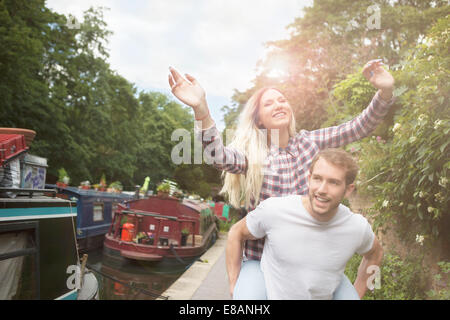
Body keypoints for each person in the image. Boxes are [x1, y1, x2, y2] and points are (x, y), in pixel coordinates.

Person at [168, 59, 394, 299]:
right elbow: (218, 156)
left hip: (310, 260)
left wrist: (385, 91)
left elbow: (358, 128)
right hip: (260, 258)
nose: (278, 104)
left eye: (282, 100)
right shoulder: (255, 156)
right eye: (268, 103)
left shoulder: (311, 143)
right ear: (259, 120)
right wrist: (201, 110)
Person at [226, 148, 383, 299]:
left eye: (333, 183)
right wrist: (233, 283)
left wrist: (359, 292)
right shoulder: (275, 210)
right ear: (309, 179)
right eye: (317, 178)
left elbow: (376, 254)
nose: (322, 189)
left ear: (348, 190)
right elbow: (236, 232)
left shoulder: (356, 227)